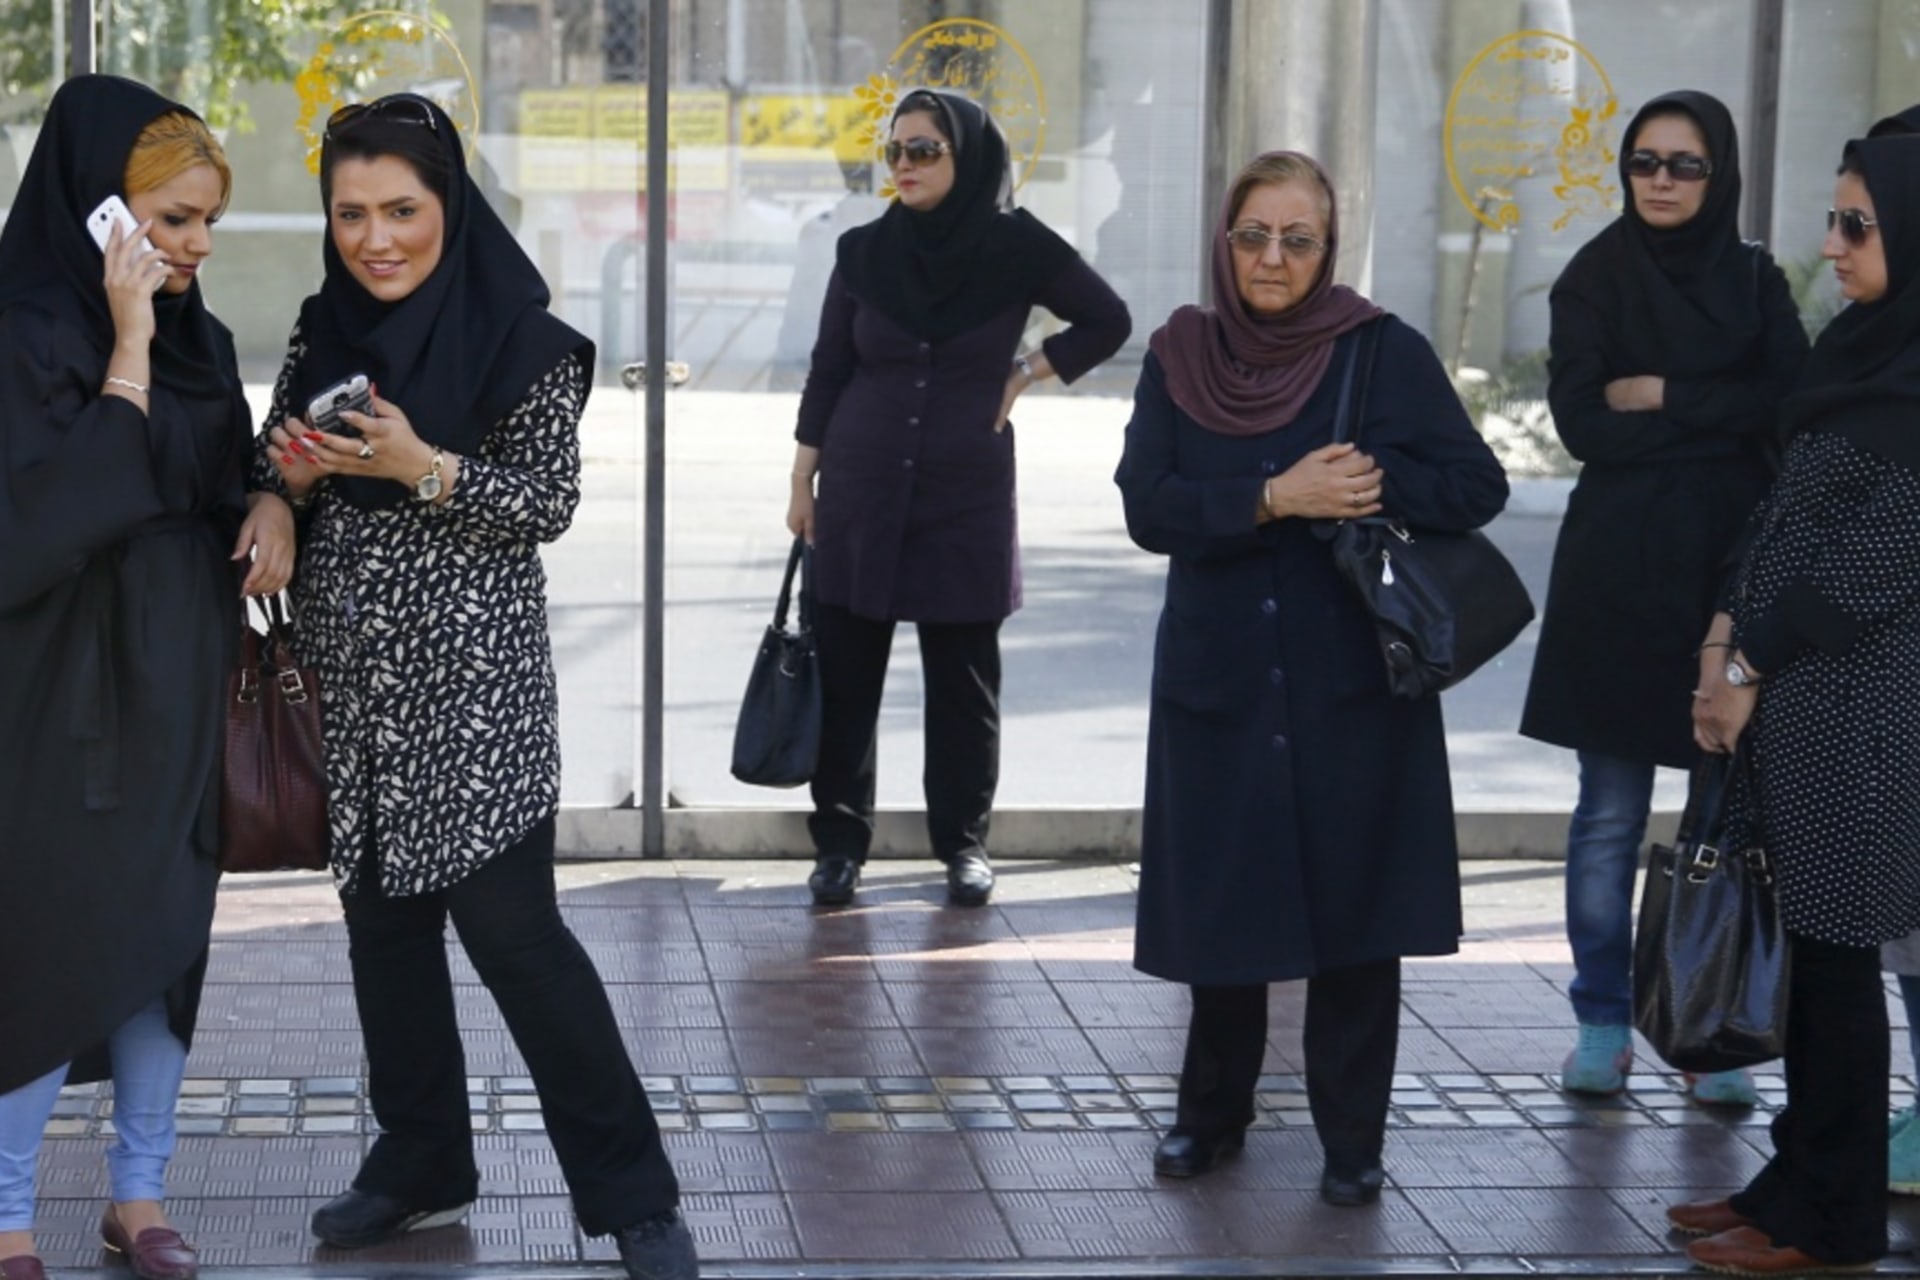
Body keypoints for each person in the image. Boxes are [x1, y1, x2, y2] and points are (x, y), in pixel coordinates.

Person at [255, 94, 695, 1280]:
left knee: (520, 943)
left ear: (449, 203)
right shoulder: (321, 324)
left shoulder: (527, 339)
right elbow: (276, 453)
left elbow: (543, 501)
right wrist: (275, 494)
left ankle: (632, 1194)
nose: (374, 238)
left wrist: (423, 466)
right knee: (384, 936)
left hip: (475, 697)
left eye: (401, 208)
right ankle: (420, 1161)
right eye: (350, 213)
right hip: (353, 686)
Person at [1114, 151, 1507, 1206]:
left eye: (1298, 239)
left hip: (1350, 685)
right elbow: (1148, 504)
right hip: (1222, 679)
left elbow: (1477, 482)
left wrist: (1365, 476)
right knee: (1225, 917)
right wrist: (1271, 496)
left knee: (1355, 922)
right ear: (1224, 239)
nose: (1273, 258)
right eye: (1254, 235)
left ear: (1329, 249)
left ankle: (1351, 1142)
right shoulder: (1181, 353)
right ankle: (1210, 1115)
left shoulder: (1377, 353)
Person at [0, 76, 293, 1280]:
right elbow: (48, 519)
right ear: (98, 210)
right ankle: (9, 1212)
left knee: (165, 937)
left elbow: (215, 480)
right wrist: (126, 342)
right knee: (45, 934)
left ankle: (138, 1193)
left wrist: (275, 497)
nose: (194, 248)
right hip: (56, 684)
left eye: (208, 222)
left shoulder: (205, 339)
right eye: (170, 220)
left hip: (176, 673)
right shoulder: (24, 332)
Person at [1517, 91, 1809, 1104]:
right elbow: (1586, 428)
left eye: (1684, 164)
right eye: (1645, 160)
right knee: (1608, 811)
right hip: (1620, 574)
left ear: (1718, 171)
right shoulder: (1595, 275)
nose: (1662, 180)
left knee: (1719, 813)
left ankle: (1703, 1023)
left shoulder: (1753, 277)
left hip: (1731, 570)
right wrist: (1719, 418)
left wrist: (1668, 396)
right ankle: (1602, 1018)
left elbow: (1792, 405)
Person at [1671, 128, 1920, 1274]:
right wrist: (1727, 639)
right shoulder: (1867, 348)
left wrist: (1748, 657)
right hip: (1797, 710)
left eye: (1856, 225)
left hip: (1861, 723)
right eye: (1833, 220)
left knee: (1833, 967)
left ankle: (1836, 1223)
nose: (1831, 245)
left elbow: (1880, 560)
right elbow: (1783, 519)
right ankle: (1794, 1182)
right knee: (1813, 968)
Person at [786, 89, 1130, 909]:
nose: (904, 165)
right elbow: (830, 368)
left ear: (967, 157)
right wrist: (802, 480)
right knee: (847, 675)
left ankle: (964, 846)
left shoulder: (1017, 245)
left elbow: (1107, 318)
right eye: (895, 152)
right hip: (861, 484)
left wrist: (1026, 371)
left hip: (965, 490)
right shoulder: (862, 251)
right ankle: (839, 846)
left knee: (963, 681)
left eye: (924, 151)